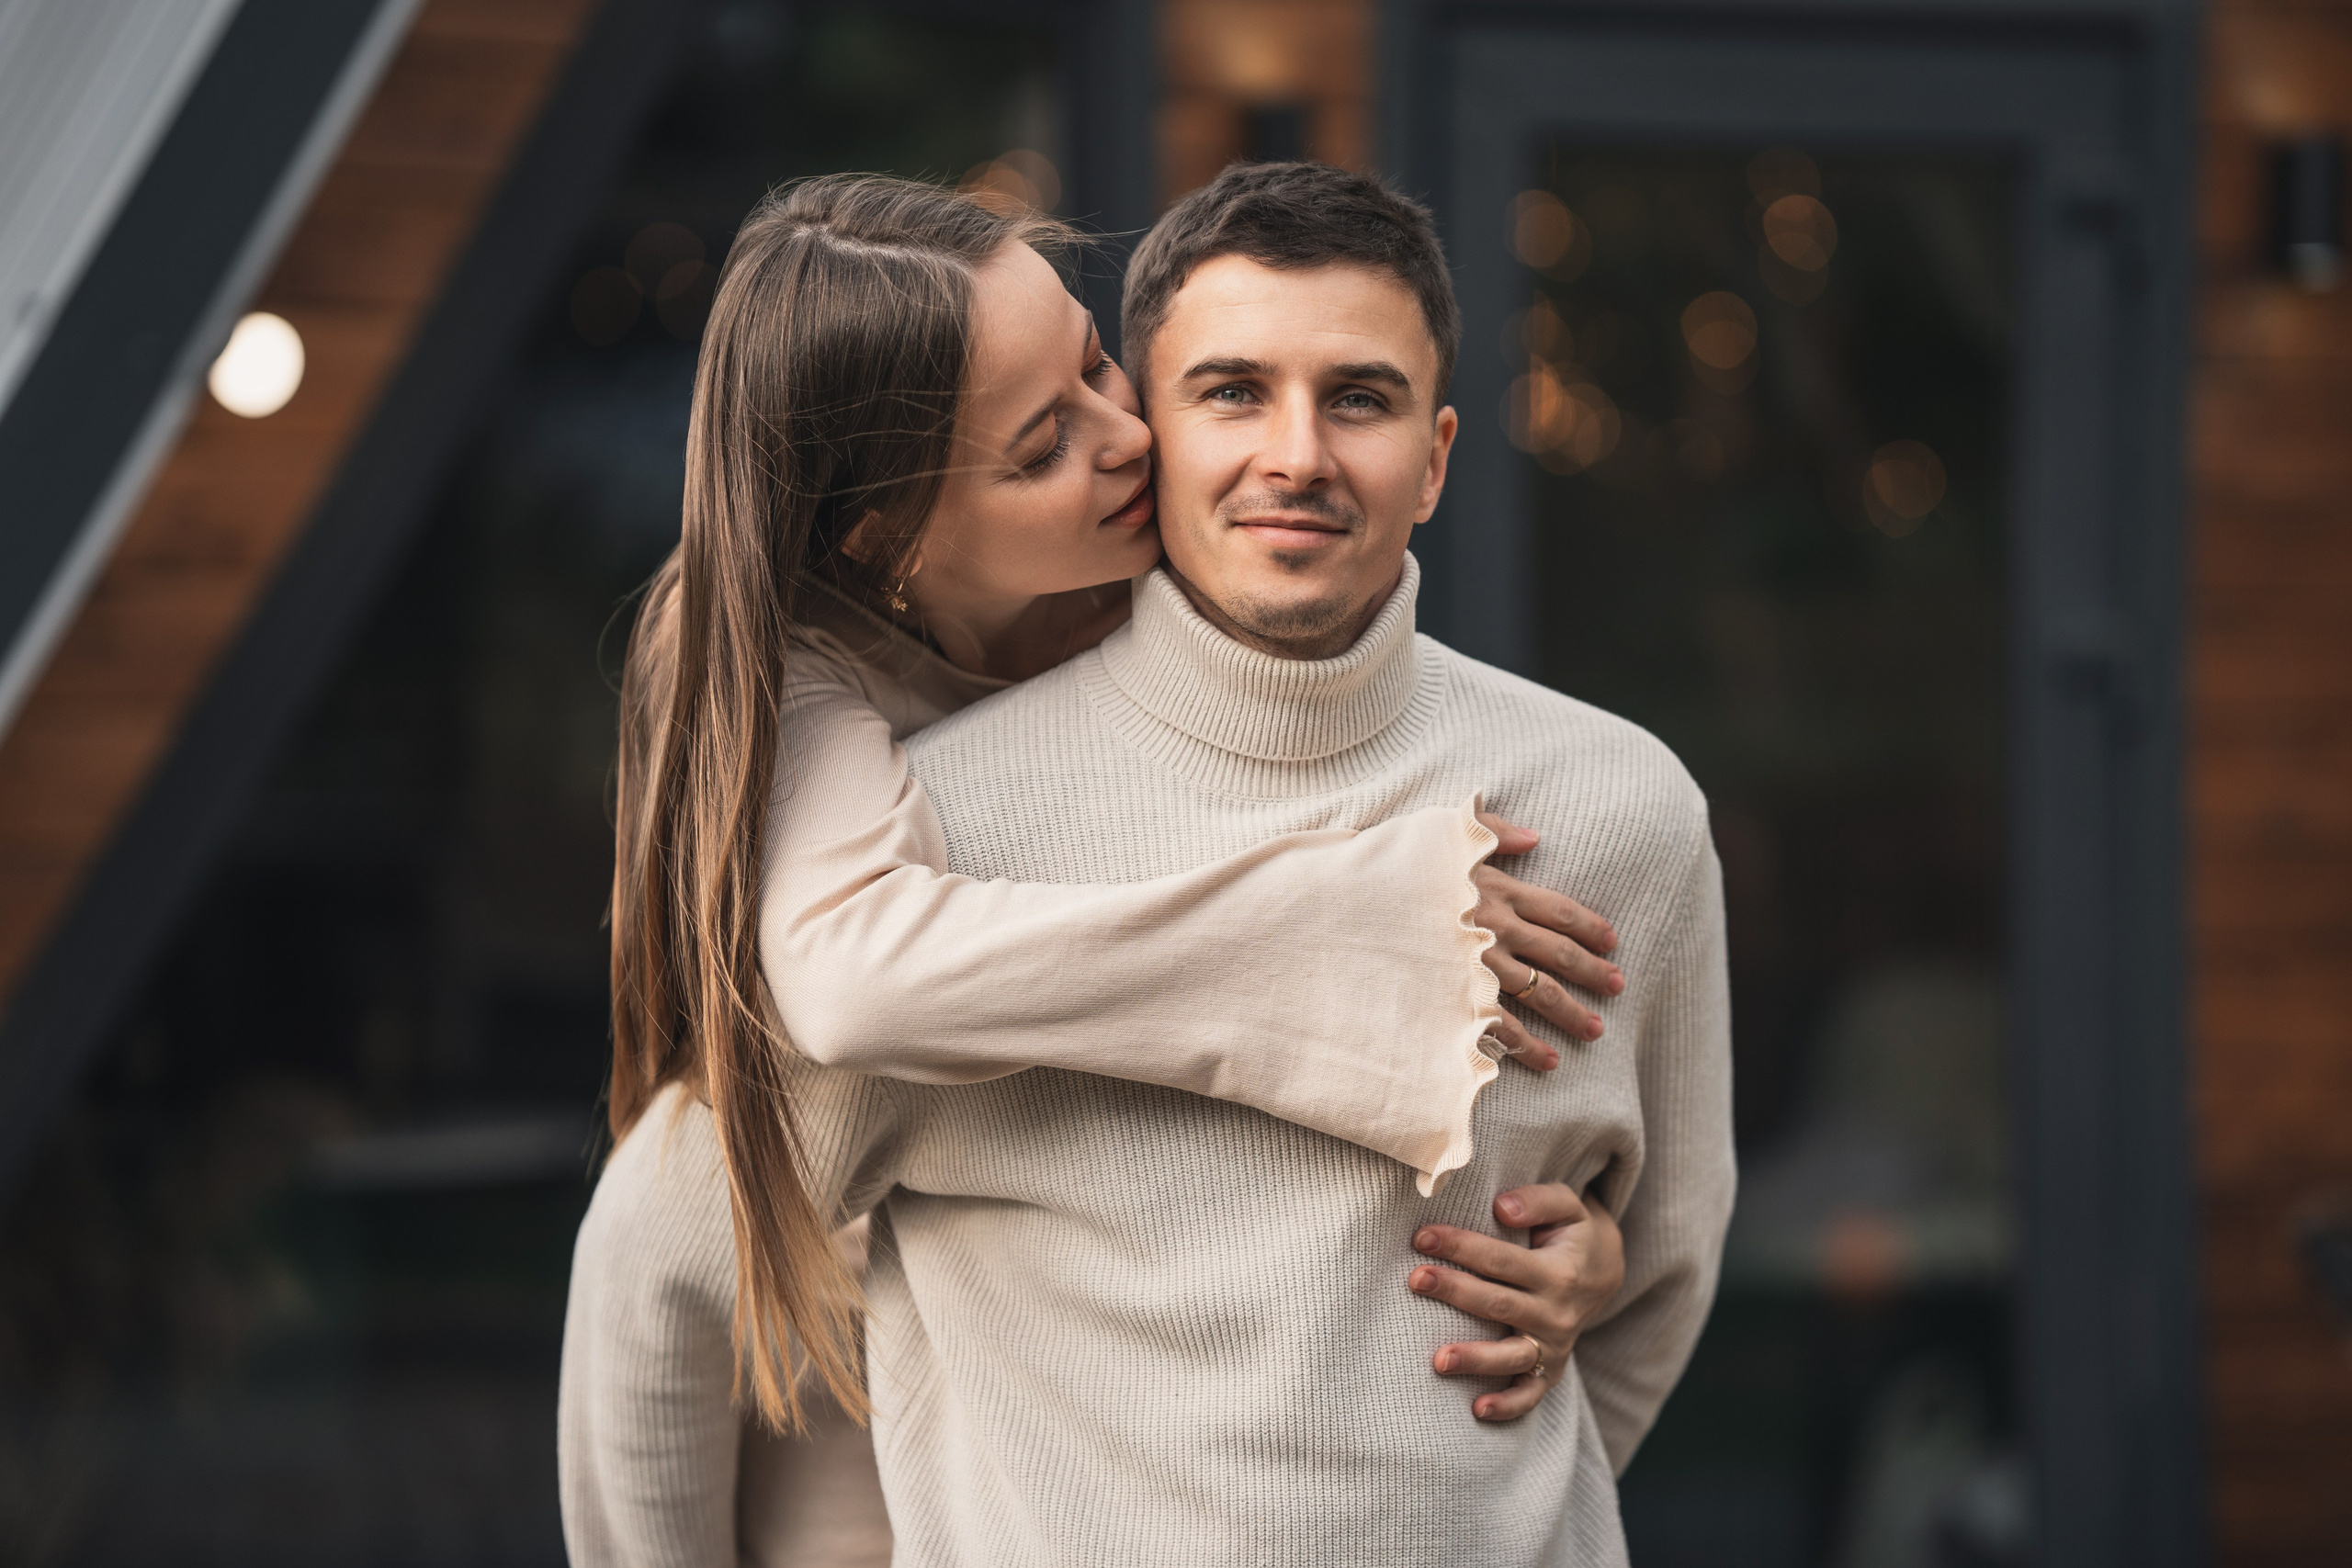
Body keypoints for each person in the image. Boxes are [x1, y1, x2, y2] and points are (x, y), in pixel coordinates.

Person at [560, 175, 1640, 1567]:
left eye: (1094, 364)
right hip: (837, 1363)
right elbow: (839, 985)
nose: (1132, 436)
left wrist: (1588, 1266)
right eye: (1042, 447)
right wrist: (1320, 927)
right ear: (889, 540)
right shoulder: (793, 668)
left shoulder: (1159, 592)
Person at [876, 160, 1735, 1563]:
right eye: (1230, 392)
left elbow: (1663, 1274)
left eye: (1359, 397)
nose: (1298, 457)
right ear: (1145, 435)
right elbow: (677, 1283)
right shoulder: (926, 835)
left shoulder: (1619, 809)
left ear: (1439, 456)